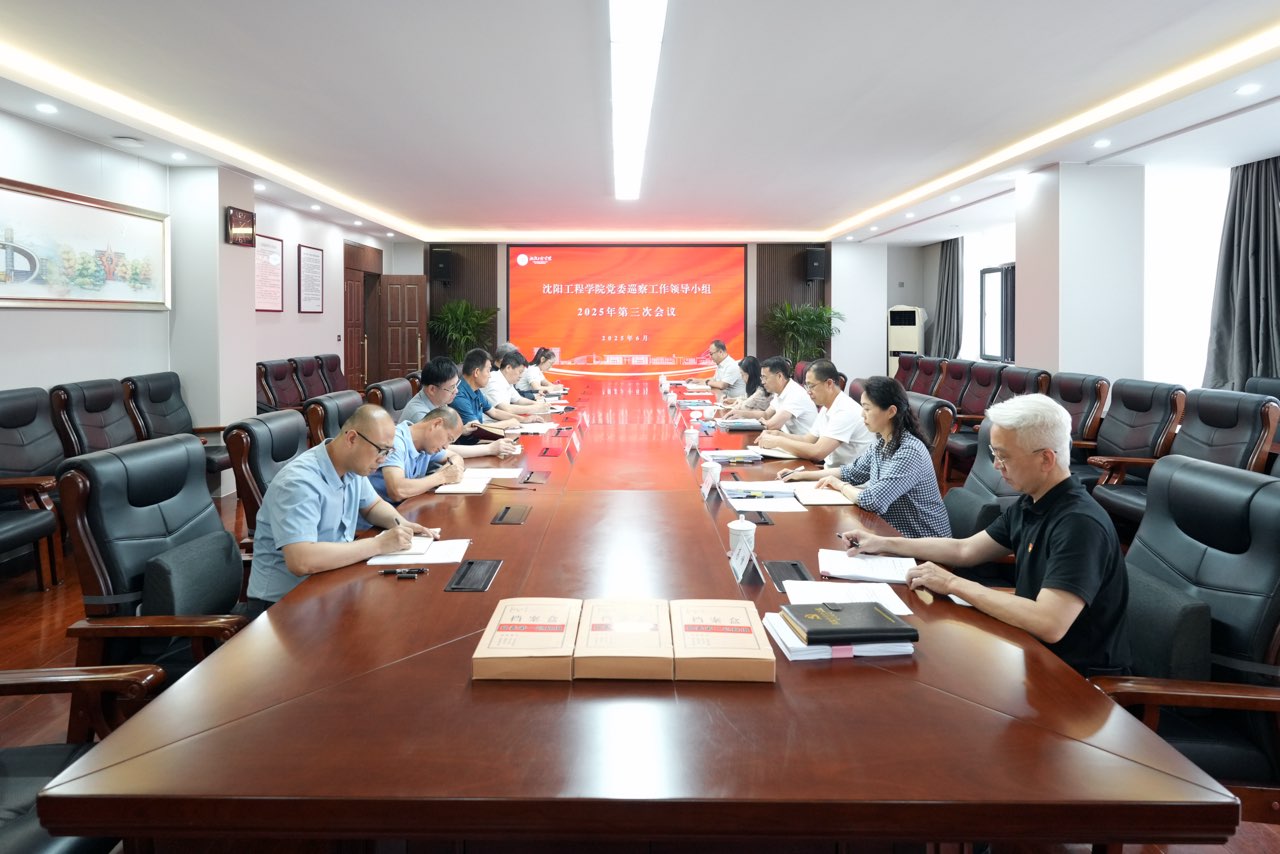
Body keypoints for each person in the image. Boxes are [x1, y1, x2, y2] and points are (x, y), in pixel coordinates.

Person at [838, 393, 1131, 677]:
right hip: (1031, 653)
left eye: (1004, 456)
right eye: (994, 454)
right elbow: (964, 550)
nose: (996, 465)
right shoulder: (1032, 502)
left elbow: (1049, 622)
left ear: (1046, 459)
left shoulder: (1079, 523)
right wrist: (883, 543)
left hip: (1075, 679)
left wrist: (953, 583)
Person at [237, 404, 436, 620]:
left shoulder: (353, 466)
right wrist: (378, 544)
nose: (384, 459)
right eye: (381, 450)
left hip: (329, 582)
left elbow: (373, 506)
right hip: (283, 605)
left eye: (389, 451)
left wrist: (401, 524)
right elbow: (301, 560)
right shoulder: (298, 482)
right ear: (352, 439)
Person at [780, 375, 948, 537]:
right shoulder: (881, 442)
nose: (862, 414)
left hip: (920, 541)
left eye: (867, 408)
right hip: (888, 532)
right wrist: (802, 475)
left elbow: (873, 500)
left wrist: (840, 485)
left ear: (891, 412)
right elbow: (850, 472)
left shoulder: (909, 451)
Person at [399, 356, 520, 458]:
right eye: (452, 387)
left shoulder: (439, 400)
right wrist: (489, 449)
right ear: (432, 389)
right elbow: (442, 450)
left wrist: (462, 430)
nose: (456, 391)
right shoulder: (419, 414)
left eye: (456, 385)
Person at [758, 359, 871, 467]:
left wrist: (779, 442)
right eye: (806, 386)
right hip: (831, 472)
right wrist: (778, 435)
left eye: (811, 386)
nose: (808, 392)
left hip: (846, 478)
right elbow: (808, 440)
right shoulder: (827, 406)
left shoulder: (845, 410)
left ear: (829, 384)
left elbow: (817, 452)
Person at [369, 405, 466, 504]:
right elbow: (397, 490)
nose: (446, 446)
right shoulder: (395, 441)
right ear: (436, 424)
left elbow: (456, 457)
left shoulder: (427, 445)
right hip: (381, 510)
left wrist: (448, 470)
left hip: (406, 507)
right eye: (449, 438)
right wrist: (442, 477)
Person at [453, 348, 543, 429]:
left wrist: (523, 419)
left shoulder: (475, 390)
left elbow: (494, 412)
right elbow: (476, 428)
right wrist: (507, 423)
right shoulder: (459, 395)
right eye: (488, 371)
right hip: (477, 438)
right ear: (476, 372)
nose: (489, 375)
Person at [724, 356, 816, 434]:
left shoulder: (795, 394)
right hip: (790, 439)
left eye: (765, 378)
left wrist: (742, 423)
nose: (762, 382)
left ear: (779, 376)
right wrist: (740, 414)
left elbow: (772, 425)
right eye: (761, 377)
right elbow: (766, 415)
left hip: (804, 444)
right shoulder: (780, 391)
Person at [484, 350, 553, 415]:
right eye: (520, 372)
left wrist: (537, 404)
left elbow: (518, 400)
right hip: (491, 423)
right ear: (508, 368)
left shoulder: (507, 380)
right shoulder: (493, 380)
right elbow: (505, 408)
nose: (521, 376)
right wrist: (535, 408)